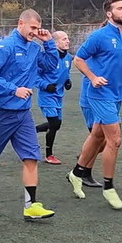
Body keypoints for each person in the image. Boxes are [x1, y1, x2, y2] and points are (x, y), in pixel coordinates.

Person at [0, 9, 57, 221]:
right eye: (32, 28)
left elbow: (51, 67)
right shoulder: (3, 46)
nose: (35, 32)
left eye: (37, 28)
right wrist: (13, 89)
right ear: (20, 23)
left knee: (31, 157)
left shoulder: (35, 48)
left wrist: (49, 43)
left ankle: (31, 205)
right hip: (1, 112)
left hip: (23, 114)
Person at [67, 0, 122, 209]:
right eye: (119, 8)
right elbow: (78, 59)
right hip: (99, 94)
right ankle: (109, 187)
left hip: (117, 94)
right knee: (115, 140)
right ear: (109, 14)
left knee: (97, 135)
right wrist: (93, 78)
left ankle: (76, 173)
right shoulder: (99, 36)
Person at [35, 31, 72, 164]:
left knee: (57, 125)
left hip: (59, 96)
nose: (67, 41)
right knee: (54, 123)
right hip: (46, 96)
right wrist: (45, 85)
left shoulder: (68, 58)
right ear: (55, 43)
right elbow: (34, 76)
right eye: (64, 39)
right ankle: (49, 155)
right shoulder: (47, 58)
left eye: (67, 38)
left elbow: (66, 73)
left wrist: (68, 81)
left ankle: (32, 131)